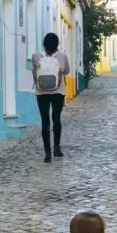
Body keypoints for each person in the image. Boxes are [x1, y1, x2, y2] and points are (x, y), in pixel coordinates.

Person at [32, 33, 70, 163]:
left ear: (44, 43)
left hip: (41, 91)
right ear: (57, 44)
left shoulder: (36, 56)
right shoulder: (62, 56)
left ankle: (47, 153)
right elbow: (67, 71)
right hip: (58, 91)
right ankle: (57, 149)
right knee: (56, 118)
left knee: (45, 121)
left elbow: (34, 70)